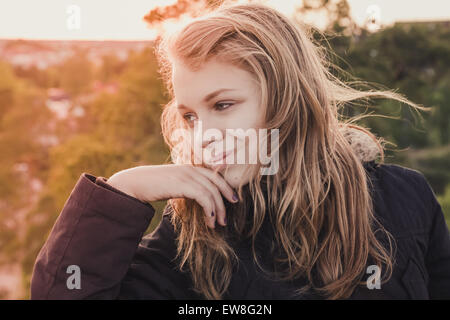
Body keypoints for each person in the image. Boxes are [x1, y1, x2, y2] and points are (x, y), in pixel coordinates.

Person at [30, 2, 450, 300]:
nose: (204, 135)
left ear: (288, 99)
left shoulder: (404, 198)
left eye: (223, 105)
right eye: (190, 116)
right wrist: (123, 190)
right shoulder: (196, 230)